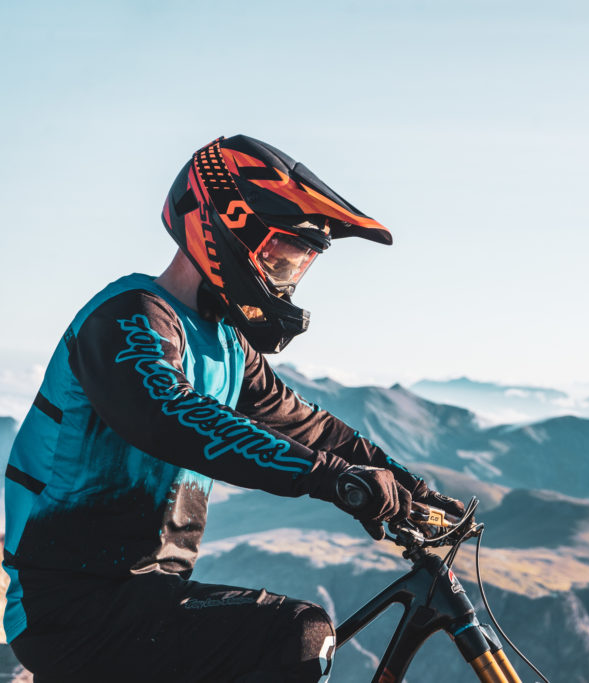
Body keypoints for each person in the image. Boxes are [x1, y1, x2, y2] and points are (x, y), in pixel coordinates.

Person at [2, 135, 466, 682]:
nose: (284, 279)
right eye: (280, 256)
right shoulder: (128, 318)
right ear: (227, 225)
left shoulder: (225, 344)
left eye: (298, 265)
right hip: (70, 609)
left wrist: (404, 482)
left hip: (147, 596)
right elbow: (172, 415)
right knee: (298, 634)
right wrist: (332, 479)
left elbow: (306, 424)